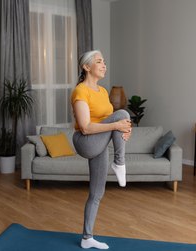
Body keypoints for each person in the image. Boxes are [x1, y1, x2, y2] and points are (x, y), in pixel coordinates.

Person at [71, 50, 132, 249]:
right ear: (86, 67)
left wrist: (124, 130)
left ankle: (87, 238)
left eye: (104, 61)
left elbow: (114, 122)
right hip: (85, 141)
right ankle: (120, 163)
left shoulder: (103, 91)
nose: (104, 65)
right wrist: (117, 125)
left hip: (100, 142)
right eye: (99, 61)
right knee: (122, 113)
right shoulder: (80, 91)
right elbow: (86, 127)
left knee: (97, 193)